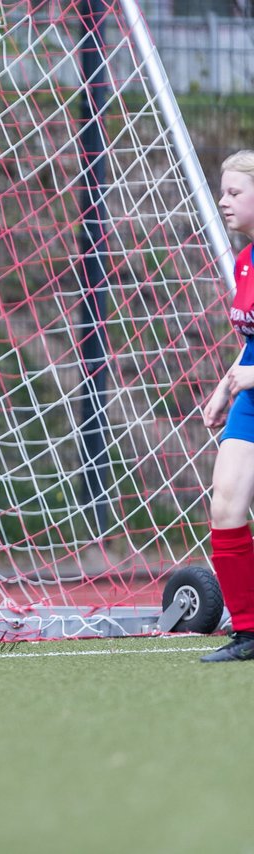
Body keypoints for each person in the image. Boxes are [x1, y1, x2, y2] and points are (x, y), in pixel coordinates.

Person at [200, 149, 254, 661]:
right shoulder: (245, 259)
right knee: (226, 507)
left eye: (235, 192)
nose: (223, 201)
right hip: (251, 402)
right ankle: (249, 632)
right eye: (222, 191)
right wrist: (226, 386)